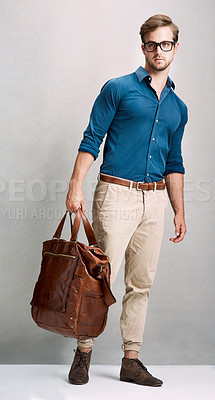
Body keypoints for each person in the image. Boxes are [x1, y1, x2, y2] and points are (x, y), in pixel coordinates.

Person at [65, 14, 188, 386]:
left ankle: (130, 360)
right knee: (101, 277)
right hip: (115, 194)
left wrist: (179, 209)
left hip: (155, 202)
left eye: (166, 43)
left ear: (174, 48)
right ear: (143, 48)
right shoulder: (118, 89)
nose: (159, 50)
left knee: (141, 283)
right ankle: (83, 353)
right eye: (152, 44)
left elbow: (174, 162)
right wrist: (75, 186)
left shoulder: (178, 108)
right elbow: (92, 139)